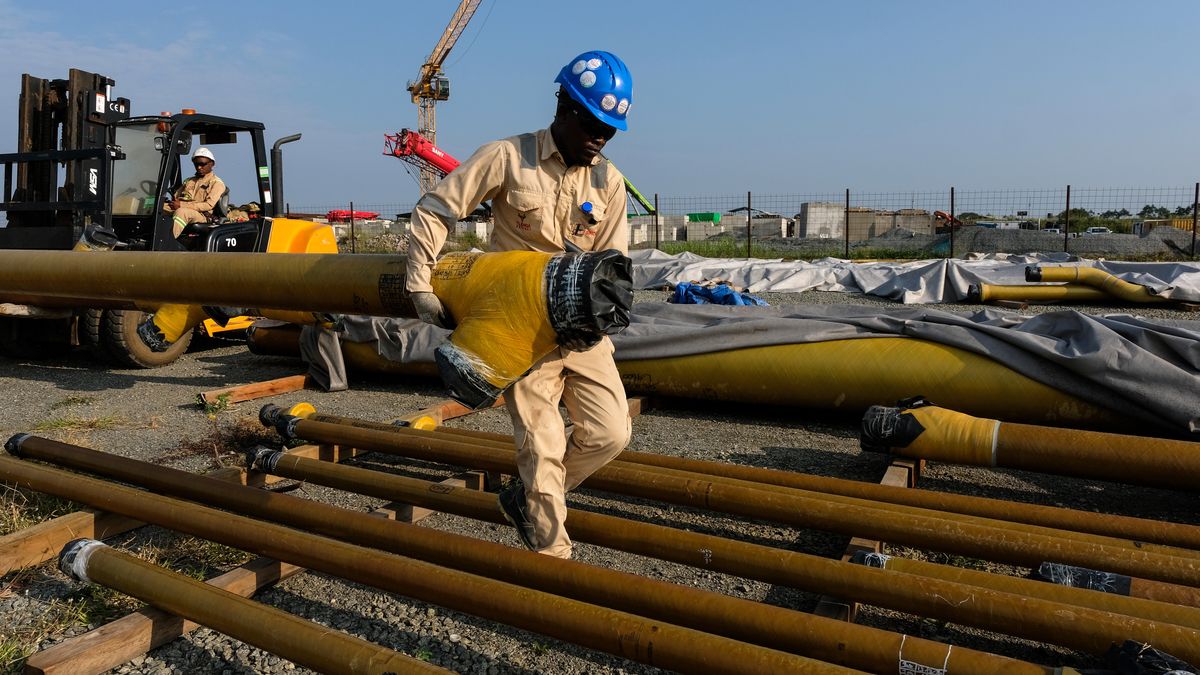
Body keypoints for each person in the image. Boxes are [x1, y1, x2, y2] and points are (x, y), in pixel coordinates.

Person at [405, 50, 634, 559]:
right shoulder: (509, 157)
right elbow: (437, 208)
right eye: (593, 124)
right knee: (543, 442)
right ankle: (551, 557)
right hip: (516, 325)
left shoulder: (608, 181)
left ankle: (523, 499)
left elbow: (612, 264)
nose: (600, 138)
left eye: (610, 130)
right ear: (564, 107)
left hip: (577, 324)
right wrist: (421, 285)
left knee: (610, 433)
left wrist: (600, 324)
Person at [165, 147, 226, 237]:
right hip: (182, 208)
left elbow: (208, 205)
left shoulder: (216, 183)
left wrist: (182, 205)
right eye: (196, 164)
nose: (199, 167)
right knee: (155, 207)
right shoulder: (189, 181)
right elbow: (176, 197)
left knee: (182, 212)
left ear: (212, 164)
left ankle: (167, 242)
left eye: (202, 164)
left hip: (202, 215)